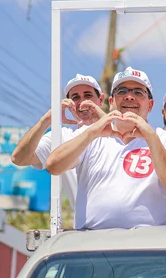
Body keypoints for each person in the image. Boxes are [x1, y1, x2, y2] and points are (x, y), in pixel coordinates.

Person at [46, 67, 166, 230]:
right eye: (122, 91)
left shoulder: (164, 139)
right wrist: (92, 132)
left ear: (150, 105)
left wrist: (150, 137)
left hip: (147, 244)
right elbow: (53, 166)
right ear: (111, 102)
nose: (129, 97)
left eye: (138, 92)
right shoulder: (91, 134)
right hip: (92, 242)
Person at [11, 74, 105, 209]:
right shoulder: (61, 136)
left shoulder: (118, 130)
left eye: (88, 95)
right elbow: (19, 158)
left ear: (101, 100)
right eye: (76, 97)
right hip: (87, 227)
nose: (83, 102)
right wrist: (46, 120)